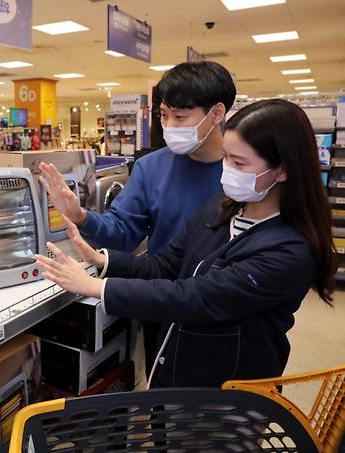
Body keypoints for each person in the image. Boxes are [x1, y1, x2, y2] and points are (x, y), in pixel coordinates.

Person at [35, 99, 337, 388]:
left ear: (283, 170)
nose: (227, 169)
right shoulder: (221, 207)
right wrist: (104, 260)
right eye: (227, 157)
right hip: (176, 366)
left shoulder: (290, 250)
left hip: (229, 393)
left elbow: (195, 297)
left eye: (240, 163)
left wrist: (96, 287)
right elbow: (165, 265)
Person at [39, 61, 237, 379]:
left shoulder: (244, 171)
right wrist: (81, 215)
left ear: (216, 113)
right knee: (160, 393)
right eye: (164, 115)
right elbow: (123, 232)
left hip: (223, 312)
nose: (170, 125)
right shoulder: (151, 167)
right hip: (158, 302)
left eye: (181, 117)